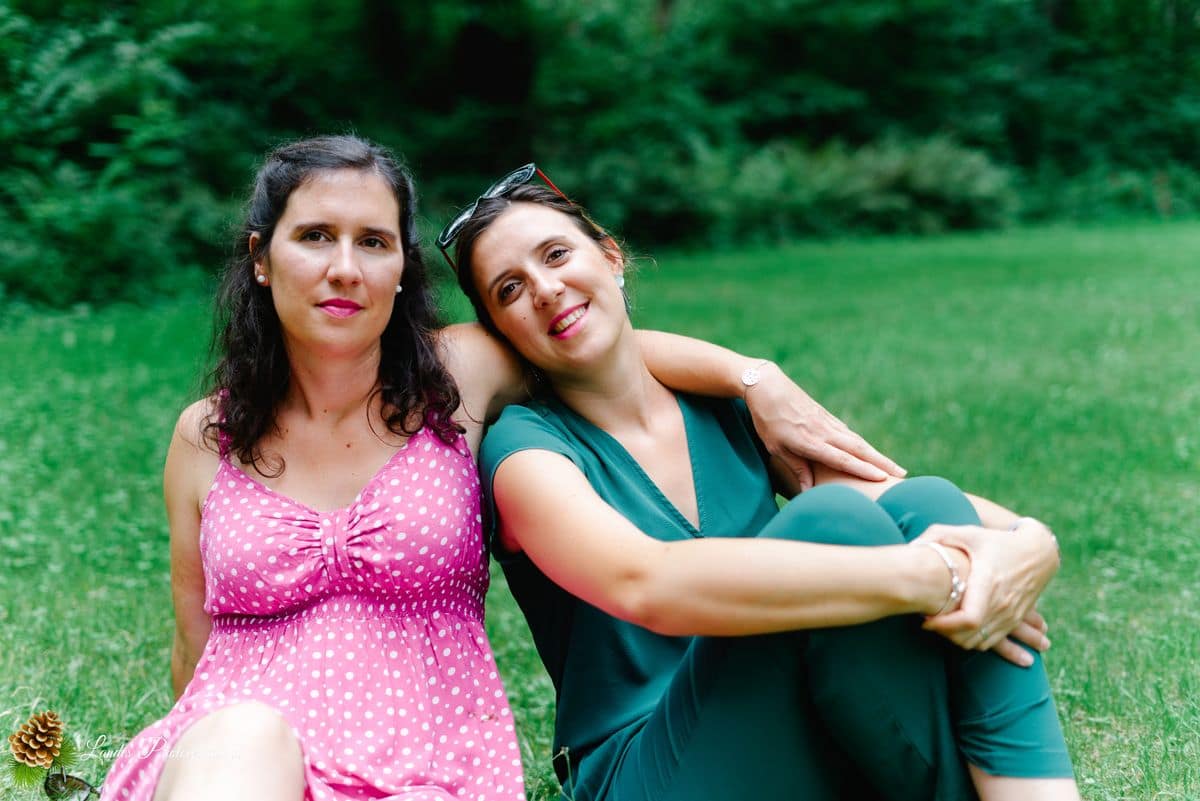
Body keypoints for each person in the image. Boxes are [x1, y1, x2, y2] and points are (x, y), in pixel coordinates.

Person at [99, 137, 902, 801]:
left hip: (426, 768)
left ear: (403, 270)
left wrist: (750, 377)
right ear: (263, 259)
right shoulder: (208, 435)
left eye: (373, 242)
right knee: (245, 733)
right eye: (315, 236)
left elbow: (599, 351)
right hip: (241, 770)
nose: (345, 267)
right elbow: (193, 643)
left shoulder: (462, 376)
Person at [446, 171, 1083, 801]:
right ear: (502, 334)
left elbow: (917, 505)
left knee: (927, 503)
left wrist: (1032, 542)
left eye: (556, 255)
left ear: (610, 256)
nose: (547, 289)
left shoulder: (724, 409)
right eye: (510, 290)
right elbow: (646, 584)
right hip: (649, 771)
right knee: (833, 526)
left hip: (787, 734)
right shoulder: (524, 451)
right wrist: (936, 575)